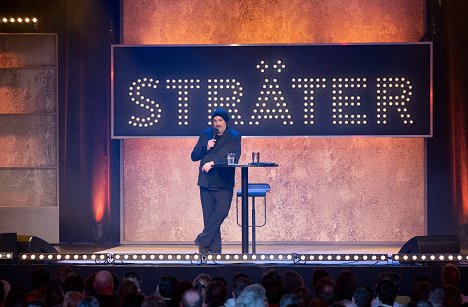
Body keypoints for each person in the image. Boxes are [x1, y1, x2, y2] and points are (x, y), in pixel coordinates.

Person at [191, 108, 242, 254]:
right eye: (215, 120)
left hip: (223, 181)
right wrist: (206, 148)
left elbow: (234, 157)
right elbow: (194, 156)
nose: (217, 123)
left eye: (220, 120)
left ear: (225, 121)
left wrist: (213, 162)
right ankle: (212, 249)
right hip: (206, 181)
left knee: (221, 212)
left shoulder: (234, 136)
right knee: (208, 217)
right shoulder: (206, 134)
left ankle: (203, 239)